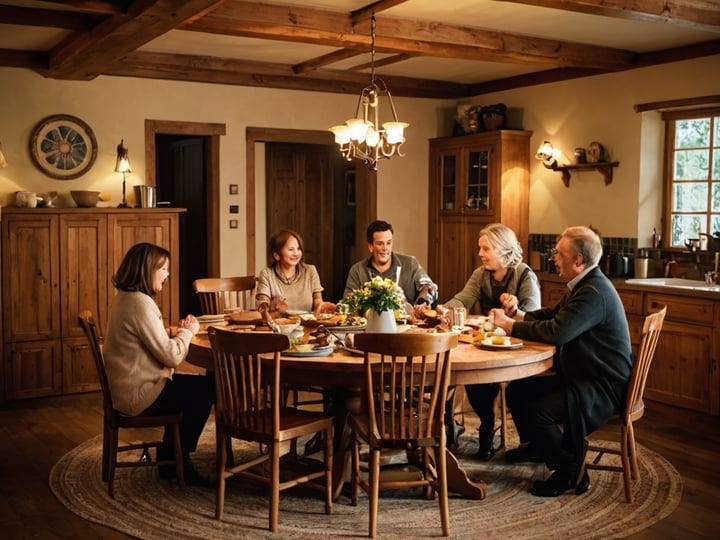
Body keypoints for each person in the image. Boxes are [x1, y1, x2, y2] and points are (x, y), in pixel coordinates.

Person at [490, 226, 633, 497]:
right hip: (585, 375)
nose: (553, 258)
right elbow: (552, 316)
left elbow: (558, 332)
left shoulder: (594, 292)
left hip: (601, 387)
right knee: (518, 390)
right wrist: (519, 315)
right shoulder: (584, 285)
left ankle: (571, 471)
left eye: (559, 253)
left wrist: (510, 327)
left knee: (537, 412)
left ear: (578, 260)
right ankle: (538, 447)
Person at [415, 223, 540, 460]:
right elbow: (461, 300)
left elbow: (533, 314)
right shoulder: (480, 275)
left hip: (516, 349)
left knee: (490, 380)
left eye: (486, 249)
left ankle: (524, 440)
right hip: (486, 345)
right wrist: (442, 309)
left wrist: (515, 309)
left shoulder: (525, 276)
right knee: (475, 376)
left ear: (503, 250)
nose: (480, 254)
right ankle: (486, 424)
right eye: (479, 248)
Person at [103, 242, 215, 487]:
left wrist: (180, 334)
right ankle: (178, 461)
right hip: (140, 395)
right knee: (207, 388)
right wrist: (188, 332)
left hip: (129, 388)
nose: (167, 274)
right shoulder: (140, 303)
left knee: (200, 386)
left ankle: (171, 457)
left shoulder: (125, 297)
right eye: (163, 268)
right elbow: (172, 357)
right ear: (147, 269)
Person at [344, 220, 438, 311]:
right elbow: (348, 301)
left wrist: (422, 303)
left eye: (388, 243)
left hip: (408, 324)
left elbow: (429, 287)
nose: (385, 248)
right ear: (370, 246)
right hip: (371, 325)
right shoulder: (357, 270)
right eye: (380, 244)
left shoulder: (410, 263)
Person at [256, 229, 336, 318]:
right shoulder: (267, 274)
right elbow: (263, 304)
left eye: (298, 249)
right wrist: (270, 310)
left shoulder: (310, 271)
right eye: (291, 249)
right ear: (277, 255)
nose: (296, 253)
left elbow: (317, 299)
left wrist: (321, 307)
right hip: (279, 325)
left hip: (306, 324)